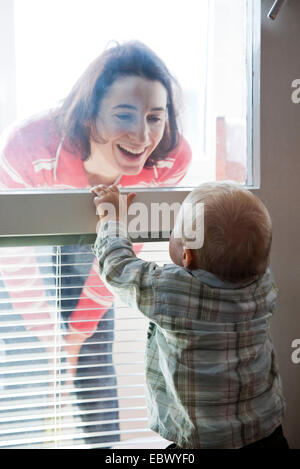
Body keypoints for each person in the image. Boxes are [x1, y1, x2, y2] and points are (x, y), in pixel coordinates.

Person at [0, 40, 191, 446]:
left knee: (90, 356)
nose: (142, 135)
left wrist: (75, 336)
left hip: (103, 238)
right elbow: (13, 258)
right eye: (124, 114)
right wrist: (51, 339)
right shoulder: (28, 148)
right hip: (30, 240)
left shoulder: (170, 159)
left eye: (155, 117)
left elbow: (123, 251)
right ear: (90, 116)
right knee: (31, 361)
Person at [90, 181, 288, 449]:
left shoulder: (174, 292)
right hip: (265, 433)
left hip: (201, 441)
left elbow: (118, 269)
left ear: (186, 255)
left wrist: (112, 219)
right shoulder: (262, 284)